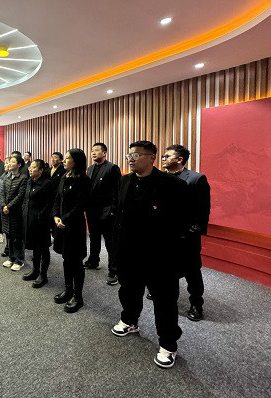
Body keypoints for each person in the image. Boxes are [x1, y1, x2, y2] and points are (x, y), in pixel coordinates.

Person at [110, 140, 188, 369]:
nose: (131, 159)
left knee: (164, 301)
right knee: (129, 290)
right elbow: (118, 214)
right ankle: (129, 320)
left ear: (152, 158)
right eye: (129, 155)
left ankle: (168, 344)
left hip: (159, 256)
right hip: (128, 251)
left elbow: (181, 223)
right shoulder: (124, 181)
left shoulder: (172, 184)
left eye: (136, 155)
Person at [161, 144, 211, 322]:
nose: (163, 159)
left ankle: (196, 304)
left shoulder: (196, 179)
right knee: (164, 268)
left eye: (167, 156)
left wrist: (191, 233)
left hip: (186, 236)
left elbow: (203, 211)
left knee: (192, 272)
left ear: (179, 159)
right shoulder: (159, 178)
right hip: (163, 235)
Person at [52, 149, 91, 313]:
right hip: (61, 224)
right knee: (66, 259)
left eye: (67, 158)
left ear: (76, 161)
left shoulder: (84, 180)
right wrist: (55, 216)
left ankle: (78, 297)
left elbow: (81, 205)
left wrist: (65, 219)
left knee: (76, 261)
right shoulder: (64, 176)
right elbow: (57, 199)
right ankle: (68, 290)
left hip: (74, 226)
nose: (64, 160)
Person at [85, 143, 122, 285]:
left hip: (107, 211)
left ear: (104, 153)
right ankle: (93, 261)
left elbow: (117, 191)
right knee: (93, 237)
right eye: (92, 150)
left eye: (96, 150)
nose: (93, 153)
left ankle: (114, 270)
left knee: (110, 242)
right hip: (92, 210)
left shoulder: (112, 168)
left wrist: (113, 210)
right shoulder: (90, 168)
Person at [22, 159, 55, 287]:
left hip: (41, 221)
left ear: (40, 170)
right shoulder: (30, 181)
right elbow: (26, 199)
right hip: (29, 219)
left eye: (34, 167)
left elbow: (49, 204)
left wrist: (40, 216)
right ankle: (35, 271)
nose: (30, 169)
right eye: (30, 167)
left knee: (43, 248)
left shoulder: (47, 184)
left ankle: (43, 275)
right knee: (35, 247)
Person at [0, 156, 28, 271]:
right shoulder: (6, 176)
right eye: (9, 162)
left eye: (13, 162)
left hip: (16, 212)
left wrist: (9, 206)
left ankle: (19, 260)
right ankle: (11, 257)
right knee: (9, 235)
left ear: (19, 165)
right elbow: (1, 193)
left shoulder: (23, 178)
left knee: (17, 236)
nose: (10, 164)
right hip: (6, 211)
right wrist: (3, 205)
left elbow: (20, 196)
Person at [0, 156, 11, 255]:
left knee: (11, 231)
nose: (5, 165)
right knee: (6, 229)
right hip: (3, 206)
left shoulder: (19, 178)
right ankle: (7, 247)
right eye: (5, 163)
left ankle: (11, 250)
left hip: (10, 207)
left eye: (7, 163)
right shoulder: (2, 177)